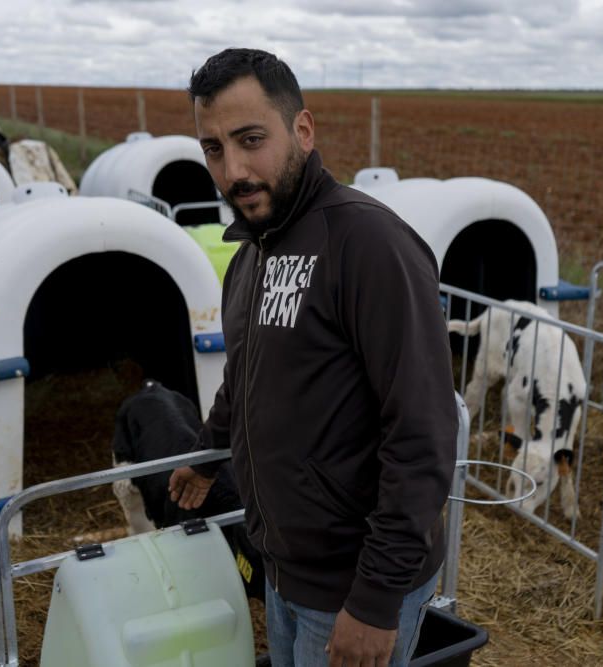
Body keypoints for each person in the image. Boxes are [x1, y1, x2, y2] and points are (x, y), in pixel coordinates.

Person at [168, 48, 457, 667]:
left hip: (353, 584)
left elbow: (424, 433)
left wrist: (376, 599)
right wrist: (206, 455)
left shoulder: (369, 245)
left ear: (303, 129)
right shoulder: (250, 256)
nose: (234, 170)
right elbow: (245, 378)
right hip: (282, 565)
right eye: (214, 149)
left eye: (251, 140)